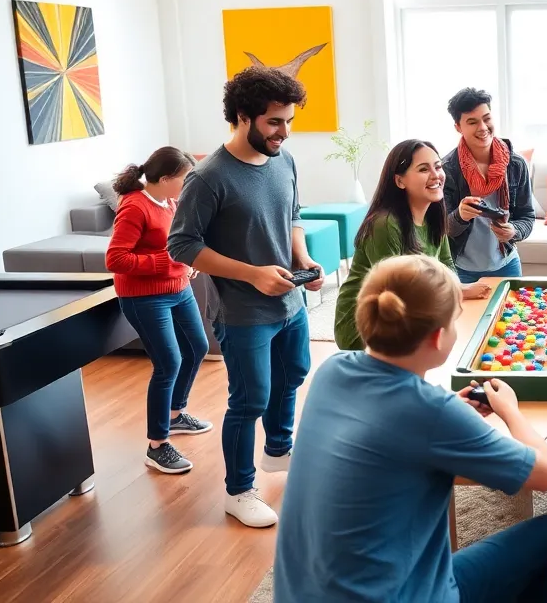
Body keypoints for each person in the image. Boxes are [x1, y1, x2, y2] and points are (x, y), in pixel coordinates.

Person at [276, 254, 547, 602]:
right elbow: (546, 475)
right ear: (437, 337)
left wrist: (447, 415)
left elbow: (391, 426)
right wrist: (511, 411)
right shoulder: (433, 412)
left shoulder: (332, 371)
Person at [168, 66, 326, 529]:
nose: (284, 131)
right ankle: (239, 490)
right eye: (275, 122)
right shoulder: (209, 177)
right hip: (242, 311)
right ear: (243, 116)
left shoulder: (285, 160)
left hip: (290, 302)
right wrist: (253, 275)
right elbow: (181, 244)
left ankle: (278, 450)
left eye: (289, 120)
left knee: (294, 373)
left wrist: (305, 259)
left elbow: (293, 214)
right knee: (249, 399)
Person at [106, 146, 213, 475]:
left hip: (178, 289)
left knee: (197, 348)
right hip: (144, 298)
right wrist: (168, 261)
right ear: (165, 179)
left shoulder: (171, 201)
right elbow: (116, 259)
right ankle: (157, 445)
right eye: (184, 179)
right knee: (168, 364)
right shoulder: (135, 207)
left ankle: (175, 414)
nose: (189, 184)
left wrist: (188, 263)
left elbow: (179, 241)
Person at [334, 139, 491, 352]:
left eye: (438, 166)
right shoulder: (385, 224)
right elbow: (394, 293)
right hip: (368, 323)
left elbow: (446, 265)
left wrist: (461, 289)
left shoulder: (434, 215)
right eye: (423, 169)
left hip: (408, 310)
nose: (436, 175)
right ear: (400, 181)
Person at [441, 88, 537, 284]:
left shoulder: (515, 164)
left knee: (512, 315)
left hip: (507, 264)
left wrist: (513, 231)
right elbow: (442, 228)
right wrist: (460, 215)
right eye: (472, 122)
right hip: (461, 268)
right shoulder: (447, 169)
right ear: (458, 127)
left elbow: (527, 216)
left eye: (487, 118)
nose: (483, 127)